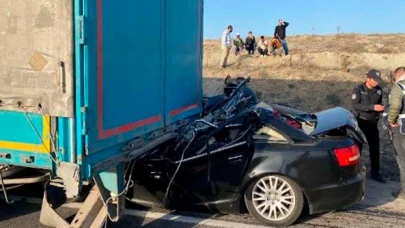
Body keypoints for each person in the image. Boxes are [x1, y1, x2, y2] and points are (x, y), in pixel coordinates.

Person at [351, 69, 386, 183]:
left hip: (372, 122)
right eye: (375, 80)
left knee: (375, 148)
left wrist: (381, 109)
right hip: (360, 121)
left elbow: (379, 104)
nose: (377, 82)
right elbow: (356, 105)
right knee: (358, 147)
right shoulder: (359, 89)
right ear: (368, 79)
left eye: (378, 80)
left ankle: (375, 173)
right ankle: (355, 172)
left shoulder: (379, 90)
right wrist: (372, 107)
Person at [387, 66, 405, 199]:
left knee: (402, 160)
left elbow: (395, 106)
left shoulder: (399, 87)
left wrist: (391, 120)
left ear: (397, 76)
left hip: (402, 129)